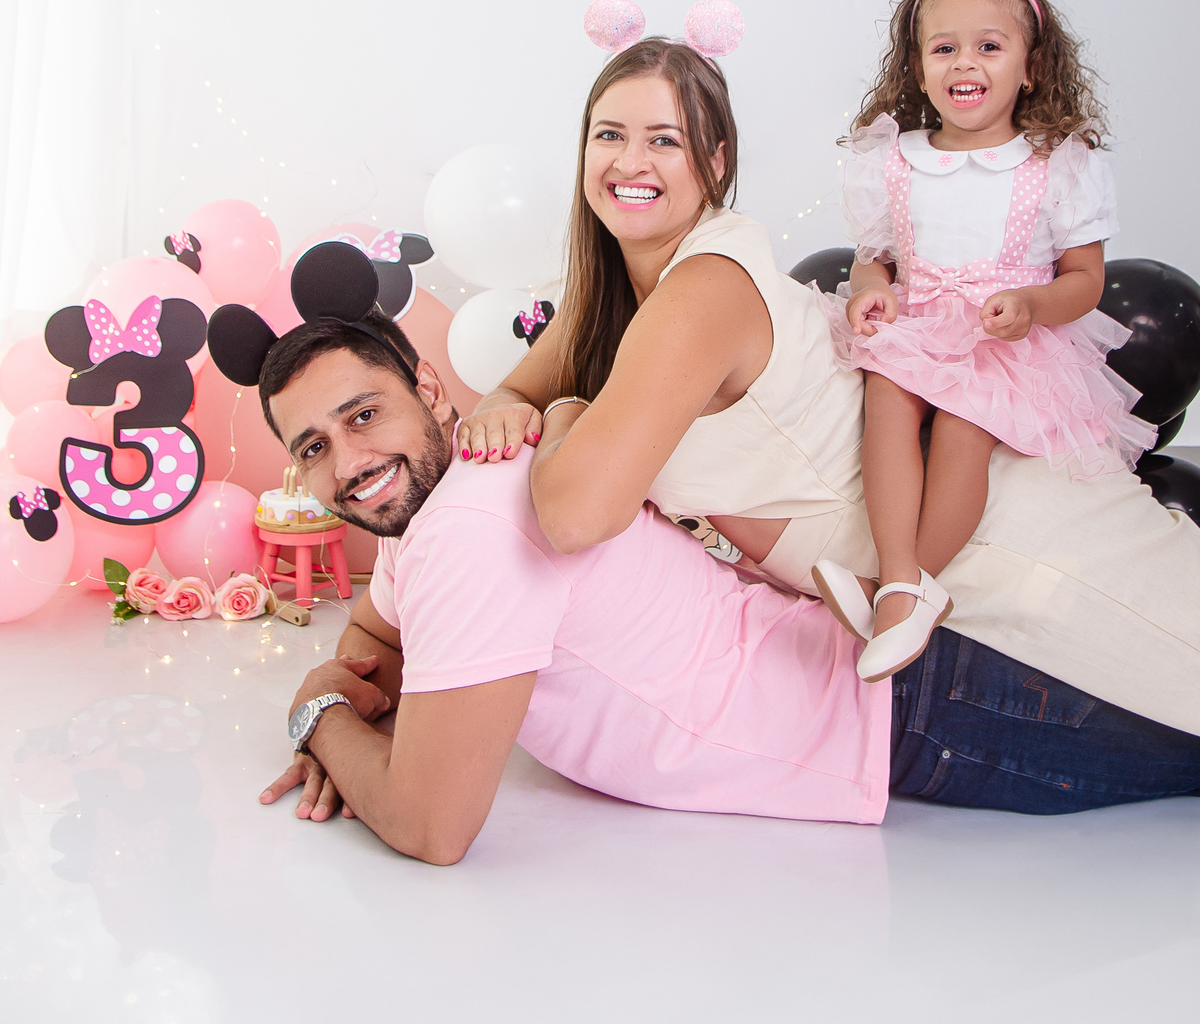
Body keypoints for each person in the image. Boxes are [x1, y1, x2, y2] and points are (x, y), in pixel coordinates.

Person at [454, 1, 1200, 738]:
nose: (630, 163)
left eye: (665, 140)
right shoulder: (616, 291)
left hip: (1016, 559)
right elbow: (519, 385)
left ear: (716, 162)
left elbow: (576, 516)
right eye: (609, 134)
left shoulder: (703, 290)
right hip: (906, 603)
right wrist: (504, 403)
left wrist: (566, 411)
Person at [239, 297, 1200, 866]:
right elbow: (377, 637)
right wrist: (361, 714)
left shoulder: (466, 531)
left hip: (917, 711)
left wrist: (319, 713)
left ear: (427, 390)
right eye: (313, 447)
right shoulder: (432, 511)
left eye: (364, 415)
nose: (350, 462)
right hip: (885, 679)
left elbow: (431, 825)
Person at [813, 0, 1154, 682]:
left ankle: (902, 589)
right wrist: (872, 293)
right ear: (918, 68)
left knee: (966, 423)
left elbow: (1085, 279)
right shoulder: (894, 160)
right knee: (887, 397)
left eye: (989, 46)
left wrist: (1031, 304)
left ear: (1031, 67)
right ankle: (899, 579)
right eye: (944, 48)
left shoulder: (1055, 163)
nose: (965, 62)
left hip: (1006, 335)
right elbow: (874, 260)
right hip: (919, 321)